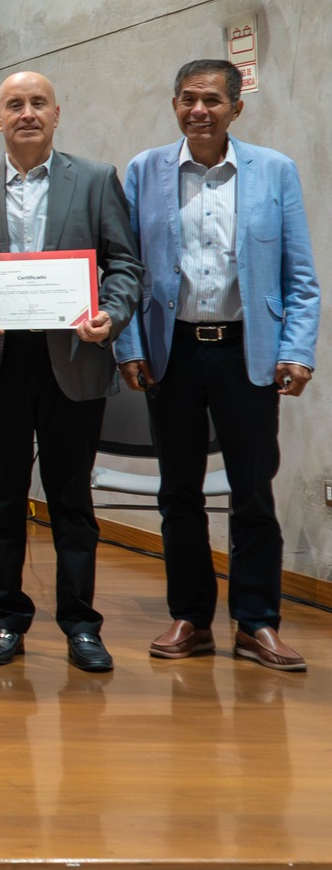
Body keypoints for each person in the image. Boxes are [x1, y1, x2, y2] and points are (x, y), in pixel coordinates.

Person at [117, 59, 319, 671]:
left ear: (236, 107)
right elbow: (124, 269)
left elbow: (300, 276)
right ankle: (191, 618)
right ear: (174, 104)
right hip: (171, 353)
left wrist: (296, 350)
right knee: (178, 492)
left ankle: (256, 623)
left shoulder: (274, 171)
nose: (198, 111)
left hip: (247, 353)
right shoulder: (145, 170)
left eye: (211, 100)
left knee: (252, 491)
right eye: (187, 99)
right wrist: (130, 346)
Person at [0, 73, 141, 673]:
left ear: (56, 113)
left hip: (74, 359)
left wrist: (111, 314)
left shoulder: (96, 179)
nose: (26, 113)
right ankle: (5, 620)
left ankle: (81, 625)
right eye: (14, 105)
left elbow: (125, 264)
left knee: (71, 501)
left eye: (37, 104)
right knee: (1, 500)